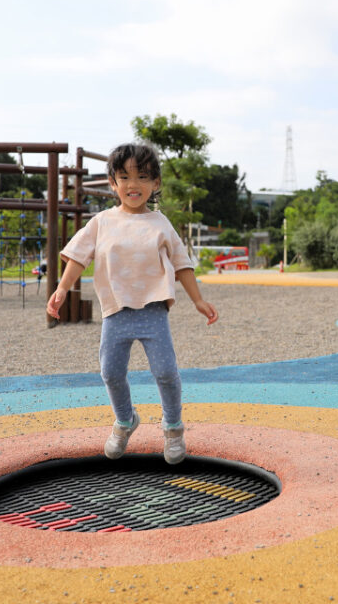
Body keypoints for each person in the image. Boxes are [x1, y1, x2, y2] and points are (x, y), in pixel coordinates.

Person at [46, 142, 218, 464]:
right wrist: (62, 289)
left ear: (155, 184)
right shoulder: (102, 222)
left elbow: (182, 265)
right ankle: (125, 420)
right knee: (111, 373)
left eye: (143, 177)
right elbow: (78, 258)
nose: (133, 185)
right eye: (124, 177)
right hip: (116, 312)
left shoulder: (161, 224)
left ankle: (173, 427)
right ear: (113, 183)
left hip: (152, 311)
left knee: (166, 371)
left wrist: (198, 299)